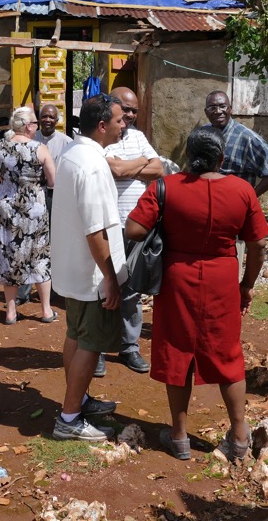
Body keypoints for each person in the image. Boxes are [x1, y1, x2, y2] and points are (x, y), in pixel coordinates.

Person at [126, 126, 268, 462]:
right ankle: (239, 435)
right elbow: (259, 244)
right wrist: (246, 285)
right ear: (221, 158)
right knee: (227, 354)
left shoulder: (165, 187)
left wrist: (167, 224)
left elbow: (134, 229)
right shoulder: (243, 190)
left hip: (177, 278)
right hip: (222, 279)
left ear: (189, 156)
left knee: (178, 352)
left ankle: (179, 436)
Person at [50, 94, 128, 441]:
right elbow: (96, 231)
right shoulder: (93, 165)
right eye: (119, 120)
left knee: (76, 335)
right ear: (102, 126)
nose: (123, 125)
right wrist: (110, 277)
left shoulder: (72, 153)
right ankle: (69, 418)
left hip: (74, 268)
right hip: (92, 273)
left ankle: (77, 399)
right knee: (90, 343)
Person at [102, 86, 164, 377]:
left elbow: (158, 169)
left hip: (136, 228)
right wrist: (141, 163)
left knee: (132, 290)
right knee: (102, 289)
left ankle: (129, 347)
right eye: (124, 109)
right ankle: (98, 348)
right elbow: (112, 171)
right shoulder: (102, 136)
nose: (128, 115)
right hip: (106, 227)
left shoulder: (138, 137)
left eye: (133, 111)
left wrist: (127, 166)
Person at [0, 106, 57, 325]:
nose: (37, 126)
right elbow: (53, 181)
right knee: (39, 257)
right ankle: (46, 310)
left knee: (10, 255)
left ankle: (11, 312)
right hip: (34, 211)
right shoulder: (40, 149)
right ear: (28, 126)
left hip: (8, 210)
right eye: (35, 123)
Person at [17, 103, 69, 306]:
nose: (48, 120)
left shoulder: (66, 142)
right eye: (44, 116)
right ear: (38, 119)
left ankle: (54, 289)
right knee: (27, 240)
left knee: (53, 241)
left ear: (57, 120)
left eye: (51, 117)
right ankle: (23, 292)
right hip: (32, 197)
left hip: (56, 197)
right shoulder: (30, 139)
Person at [202, 91, 268, 196]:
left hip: (233, 202)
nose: (218, 111)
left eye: (223, 106)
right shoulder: (202, 133)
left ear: (230, 109)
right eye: (212, 107)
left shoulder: (246, 137)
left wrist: (252, 196)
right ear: (206, 112)